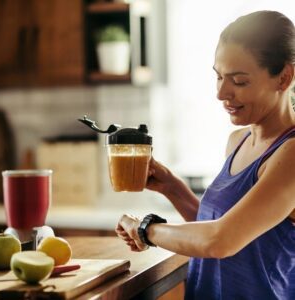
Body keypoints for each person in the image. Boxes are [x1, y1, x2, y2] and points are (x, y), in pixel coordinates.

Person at [115, 10, 295, 299]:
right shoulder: (238, 141)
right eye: (219, 77)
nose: (222, 93)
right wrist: (173, 188)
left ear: (284, 77)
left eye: (239, 81)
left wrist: (146, 229)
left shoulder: (290, 153)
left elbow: (221, 240)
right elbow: (224, 226)